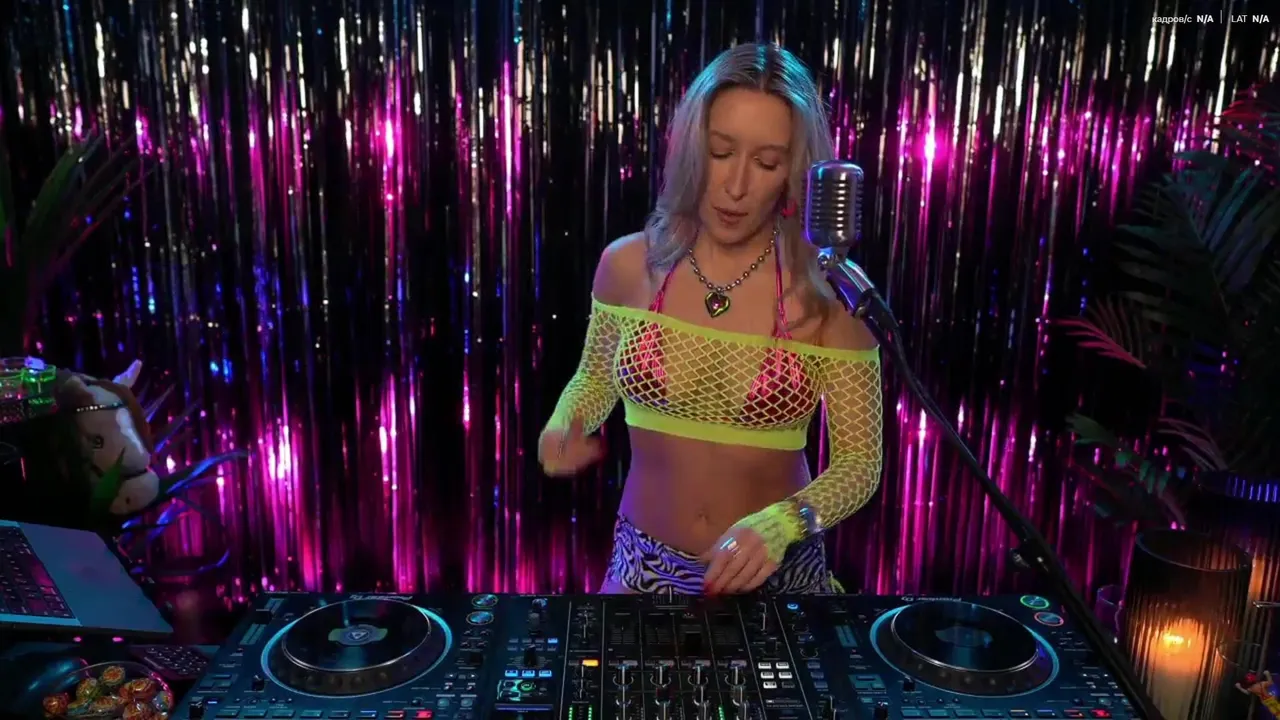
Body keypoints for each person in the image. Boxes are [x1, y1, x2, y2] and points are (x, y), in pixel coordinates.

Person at [538, 43, 884, 595]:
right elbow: (594, 380)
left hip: (779, 582)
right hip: (642, 570)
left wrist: (785, 523)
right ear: (690, 149)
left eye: (767, 163)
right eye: (721, 152)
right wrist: (563, 425)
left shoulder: (829, 291)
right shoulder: (627, 266)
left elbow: (860, 463)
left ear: (794, 172)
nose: (737, 186)